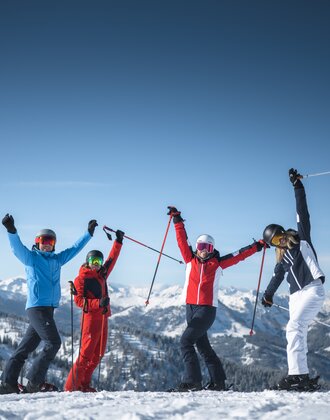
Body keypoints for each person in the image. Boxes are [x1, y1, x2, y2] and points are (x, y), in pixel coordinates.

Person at [167, 206, 266, 392]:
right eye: (201, 247)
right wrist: (177, 220)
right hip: (190, 308)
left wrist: (257, 246)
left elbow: (239, 255)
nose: (204, 251)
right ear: (197, 248)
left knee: (185, 342)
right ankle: (218, 382)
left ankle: (192, 381)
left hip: (206, 310)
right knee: (202, 346)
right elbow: (181, 241)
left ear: (212, 249)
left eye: (208, 247)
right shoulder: (190, 259)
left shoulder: (218, 264)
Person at [0, 214, 97, 394]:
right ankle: (34, 384)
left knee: (25, 348)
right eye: (43, 240)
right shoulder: (31, 258)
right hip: (37, 308)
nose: (47, 244)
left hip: (48, 310)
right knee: (53, 342)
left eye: (50, 241)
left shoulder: (56, 260)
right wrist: (11, 230)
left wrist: (88, 234)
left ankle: (7, 384)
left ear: (54, 244)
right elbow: (16, 249)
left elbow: (74, 249)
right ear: (37, 242)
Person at [262, 169, 326, 392]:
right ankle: (301, 376)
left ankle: (297, 376)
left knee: (294, 327)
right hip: (295, 297)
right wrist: (268, 295)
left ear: (283, 233)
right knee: (297, 333)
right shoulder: (282, 260)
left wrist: (297, 187)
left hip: (311, 290)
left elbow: (303, 213)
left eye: (279, 237)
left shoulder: (302, 241)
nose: (279, 242)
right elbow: (276, 277)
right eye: (275, 242)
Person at [64, 229, 124, 392]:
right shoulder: (82, 278)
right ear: (87, 261)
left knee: (97, 355)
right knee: (85, 355)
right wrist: (98, 303)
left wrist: (118, 242)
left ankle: (83, 384)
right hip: (90, 320)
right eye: (93, 261)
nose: (96, 264)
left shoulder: (101, 274)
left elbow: (112, 260)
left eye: (99, 261)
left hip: (103, 318)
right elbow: (79, 301)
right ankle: (71, 388)